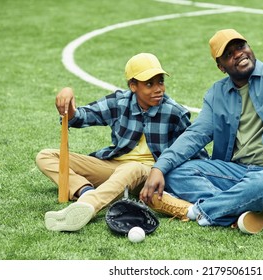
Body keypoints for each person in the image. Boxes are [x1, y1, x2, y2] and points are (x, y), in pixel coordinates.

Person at [140, 26, 263, 234]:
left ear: (249, 47)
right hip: (238, 173)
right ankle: (243, 209)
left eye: (241, 46)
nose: (238, 54)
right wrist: (159, 168)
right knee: (176, 173)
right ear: (221, 66)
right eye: (228, 54)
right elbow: (194, 135)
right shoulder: (217, 93)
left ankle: (197, 211)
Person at [36, 53, 202, 232]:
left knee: (132, 168)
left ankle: (88, 205)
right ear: (133, 86)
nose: (158, 89)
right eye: (149, 84)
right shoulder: (119, 102)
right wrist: (69, 104)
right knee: (46, 156)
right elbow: (81, 117)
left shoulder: (175, 112)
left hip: (149, 172)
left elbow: (192, 149)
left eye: (160, 81)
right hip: (115, 166)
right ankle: (86, 192)